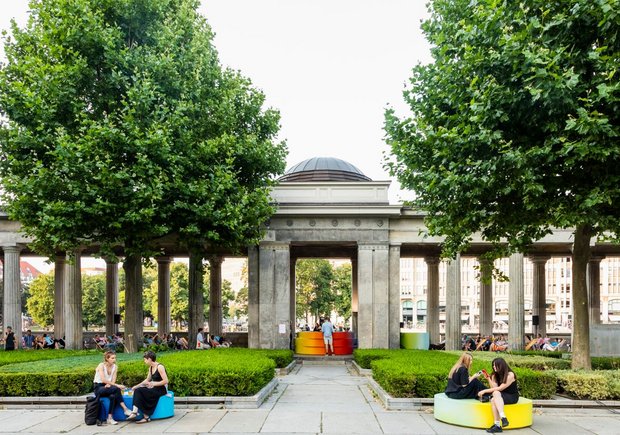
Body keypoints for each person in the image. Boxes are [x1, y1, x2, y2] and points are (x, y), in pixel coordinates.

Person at [477, 358, 519, 433]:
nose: (494, 367)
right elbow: (494, 388)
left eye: (495, 365)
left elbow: (500, 388)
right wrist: (488, 379)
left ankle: (502, 418)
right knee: (493, 398)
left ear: (501, 365)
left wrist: (484, 391)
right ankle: (498, 424)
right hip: (500, 396)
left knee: (495, 394)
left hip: (512, 396)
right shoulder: (495, 375)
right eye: (493, 365)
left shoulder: (510, 374)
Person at [127, 351, 169, 424]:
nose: (144, 361)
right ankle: (143, 416)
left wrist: (154, 383)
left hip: (161, 389)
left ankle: (137, 413)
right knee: (138, 390)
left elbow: (166, 381)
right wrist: (136, 386)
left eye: (145, 360)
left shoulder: (160, 367)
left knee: (140, 392)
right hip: (154, 388)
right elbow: (147, 380)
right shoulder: (151, 367)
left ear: (149, 359)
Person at [93, 351, 131, 425]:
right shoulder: (101, 365)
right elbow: (103, 379)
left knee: (113, 396)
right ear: (107, 359)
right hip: (98, 387)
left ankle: (110, 418)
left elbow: (113, 379)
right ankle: (125, 409)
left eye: (115, 358)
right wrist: (116, 385)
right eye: (112, 358)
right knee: (117, 389)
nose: (114, 360)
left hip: (108, 387)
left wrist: (110, 384)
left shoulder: (115, 367)